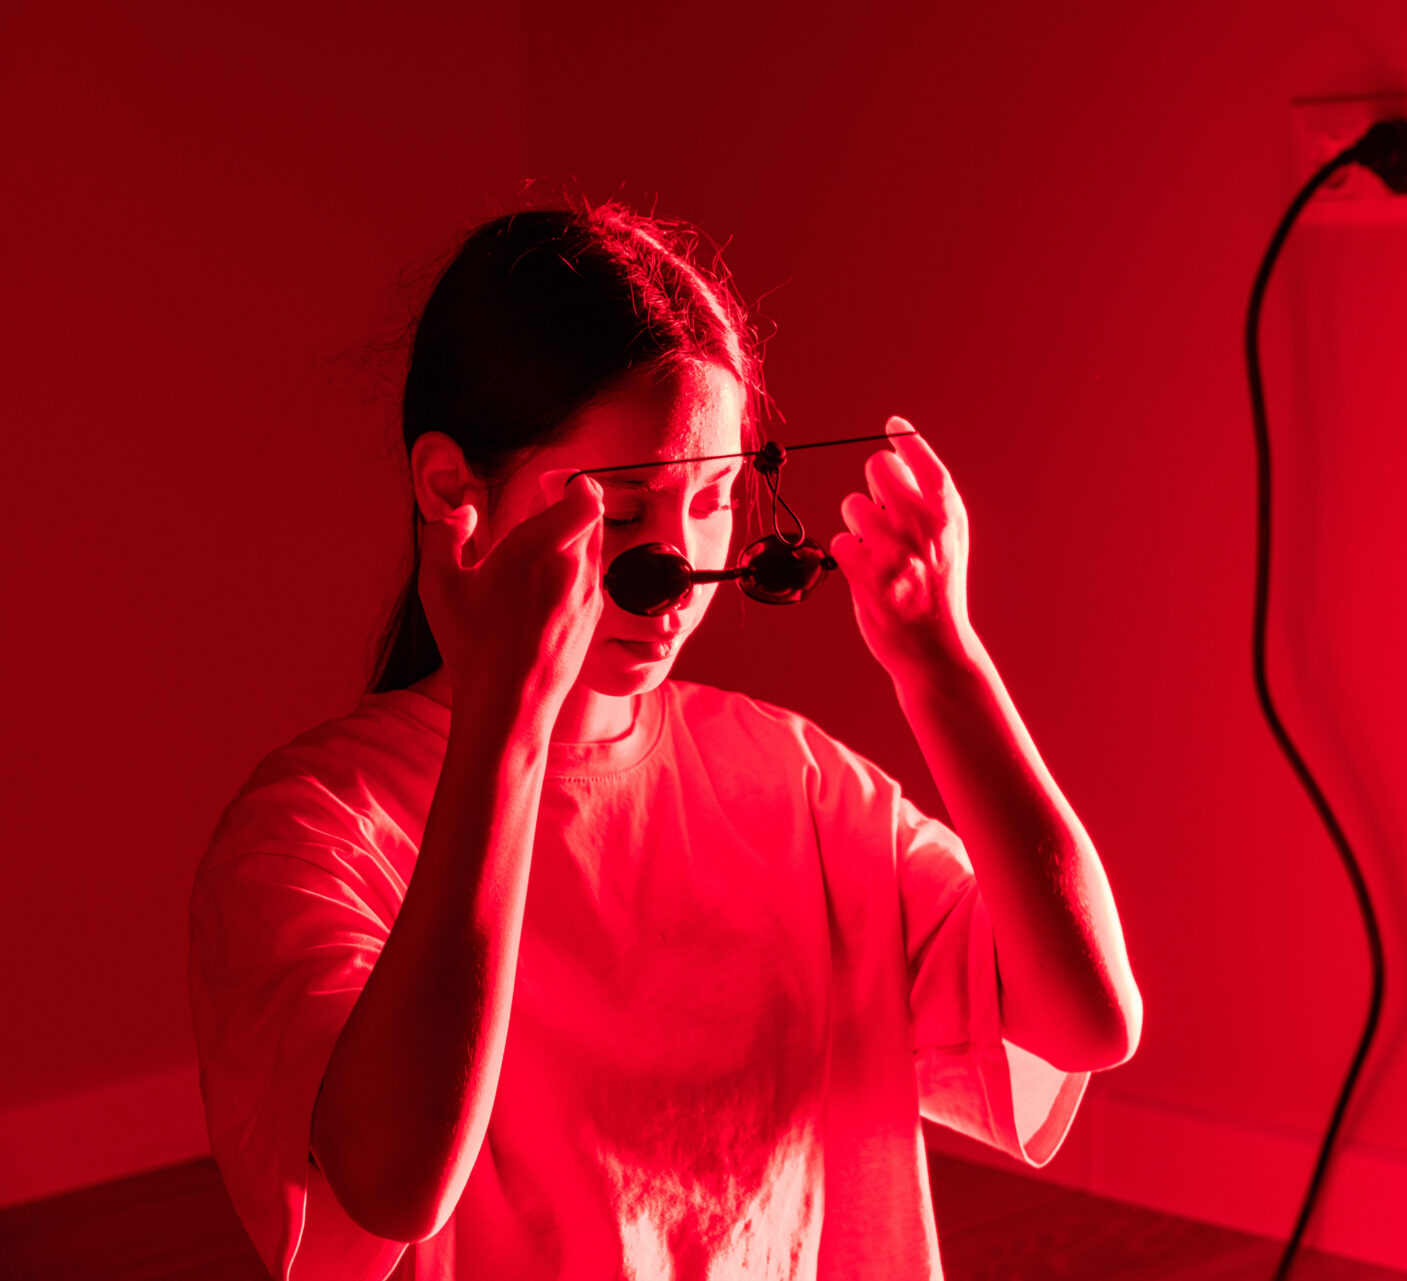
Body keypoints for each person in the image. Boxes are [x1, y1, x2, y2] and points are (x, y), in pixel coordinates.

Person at [185, 202, 1142, 1281]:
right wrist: (503, 725)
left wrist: (945, 661)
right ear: (454, 491)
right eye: (629, 509)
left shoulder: (797, 785)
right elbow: (391, 1180)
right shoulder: (311, 833)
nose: (678, 569)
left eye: (717, 498)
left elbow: (1087, 1022)